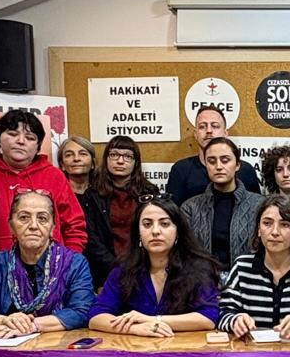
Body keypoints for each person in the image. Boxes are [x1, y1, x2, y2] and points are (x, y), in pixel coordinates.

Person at [0, 190, 95, 337]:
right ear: (11, 226)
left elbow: (81, 311)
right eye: (24, 217)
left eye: (42, 218)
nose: (33, 226)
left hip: (56, 346)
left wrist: (31, 325)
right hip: (6, 346)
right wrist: (4, 321)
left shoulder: (74, 263)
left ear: (52, 228)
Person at [88, 197, 220, 336]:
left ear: (178, 232)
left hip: (185, 352)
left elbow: (208, 318)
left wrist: (153, 321)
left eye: (164, 224)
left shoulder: (198, 268)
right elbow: (96, 317)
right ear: (138, 233)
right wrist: (134, 329)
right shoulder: (124, 269)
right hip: (137, 352)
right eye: (147, 224)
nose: (155, 231)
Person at [218, 195, 290, 341]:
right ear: (258, 229)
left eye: (285, 225)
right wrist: (236, 320)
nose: (275, 232)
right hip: (252, 355)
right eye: (267, 223)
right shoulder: (242, 267)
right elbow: (223, 313)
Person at [0, 109, 86, 254]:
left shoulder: (54, 176)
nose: (21, 141)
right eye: (12, 134)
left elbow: (74, 226)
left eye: (30, 137)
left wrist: (68, 262)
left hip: (50, 268)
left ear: (38, 146)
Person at [182, 136, 261, 269]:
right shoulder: (190, 208)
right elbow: (184, 253)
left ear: (237, 165)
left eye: (225, 160)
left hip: (246, 282)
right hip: (202, 282)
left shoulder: (259, 205)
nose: (218, 166)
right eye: (211, 161)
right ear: (206, 165)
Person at [165, 106, 261, 203]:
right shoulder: (181, 170)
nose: (209, 131)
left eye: (215, 126)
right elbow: (172, 213)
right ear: (195, 134)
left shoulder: (246, 170)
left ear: (225, 133)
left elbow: (256, 209)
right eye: (202, 126)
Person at [58, 135, 117, 284]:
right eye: (69, 155)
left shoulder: (104, 194)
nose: (76, 159)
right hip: (66, 269)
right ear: (62, 165)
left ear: (92, 163)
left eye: (83, 154)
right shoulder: (57, 196)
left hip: (104, 271)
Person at [94, 134, 158, 262]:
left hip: (143, 262)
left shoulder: (149, 192)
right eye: (114, 155)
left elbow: (155, 230)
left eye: (127, 156)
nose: (120, 161)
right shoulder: (94, 194)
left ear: (136, 162)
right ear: (106, 159)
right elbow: (92, 238)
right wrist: (113, 266)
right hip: (105, 266)